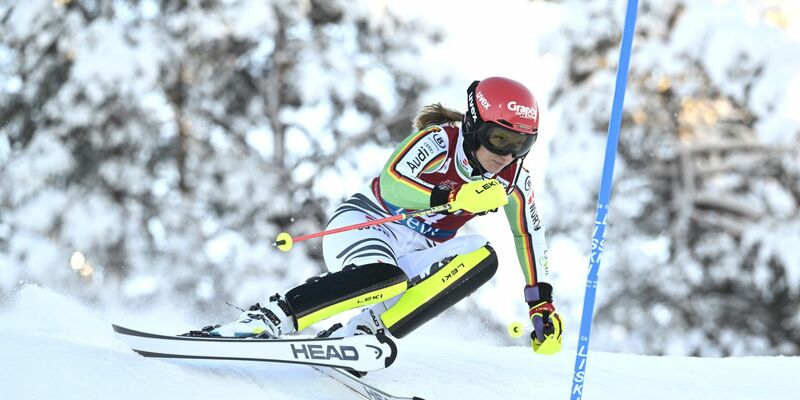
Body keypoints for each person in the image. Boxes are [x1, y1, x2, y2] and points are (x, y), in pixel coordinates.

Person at [210, 77, 563, 355]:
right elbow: (393, 183)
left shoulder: (513, 178)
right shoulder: (439, 141)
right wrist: (450, 195)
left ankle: (365, 333)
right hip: (367, 224)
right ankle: (270, 317)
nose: (507, 154)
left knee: (483, 257)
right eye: (499, 138)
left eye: (521, 144)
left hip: (417, 251)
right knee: (386, 277)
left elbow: (529, 235)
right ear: (474, 125)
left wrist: (541, 303)